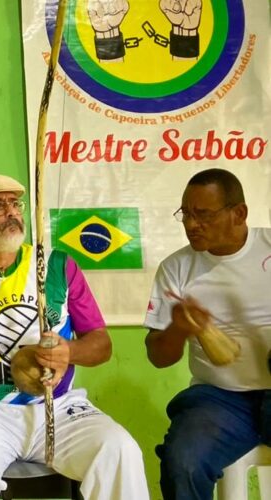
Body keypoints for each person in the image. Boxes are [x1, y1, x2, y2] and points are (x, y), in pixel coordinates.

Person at [0, 174, 148, 499]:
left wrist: (68, 351)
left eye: (15, 204)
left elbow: (101, 345)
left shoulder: (57, 266)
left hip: (58, 405)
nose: (11, 212)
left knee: (119, 450)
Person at [144, 168, 271, 500]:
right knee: (183, 461)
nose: (191, 224)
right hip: (218, 399)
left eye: (203, 215)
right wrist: (179, 328)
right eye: (185, 214)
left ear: (238, 213)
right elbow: (158, 357)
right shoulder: (176, 268)